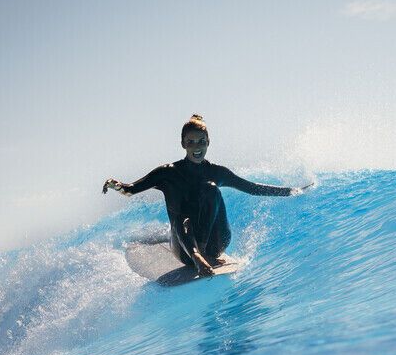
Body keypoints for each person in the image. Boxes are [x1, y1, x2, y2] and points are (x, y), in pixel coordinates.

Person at [103, 114, 311, 276]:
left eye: (201, 141)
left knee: (211, 189)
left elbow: (251, 187)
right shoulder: (167, 173)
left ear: (208, 142)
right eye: (191, 142)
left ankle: (202, 253)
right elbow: (130, 190)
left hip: (216, 244)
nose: (197, 147)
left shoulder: (216, 172)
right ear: (183, 144)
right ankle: (197, 255)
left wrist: (292, 191)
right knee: (182, 208)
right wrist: (116, 185)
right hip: (185, 248)